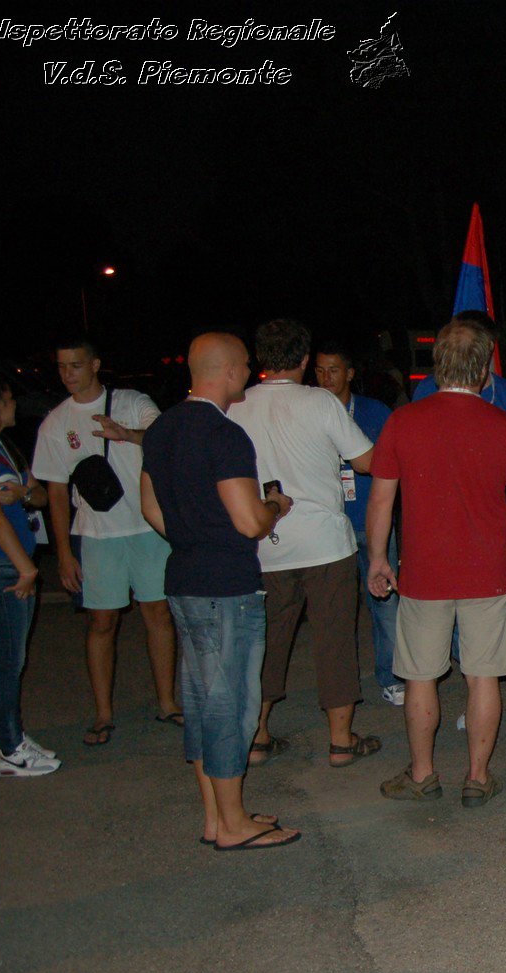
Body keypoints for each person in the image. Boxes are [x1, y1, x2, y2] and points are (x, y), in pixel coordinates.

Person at [367, 319, 506, 808]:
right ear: (485, 370)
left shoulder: (403, 421)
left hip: (423, 574)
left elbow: (381, 502)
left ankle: (422, 774)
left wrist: (379, 558)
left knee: (420, 676)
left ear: (436, 366)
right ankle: (478, 777)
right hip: (489, 572)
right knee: (483, 676)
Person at [139, 334, 298, 849]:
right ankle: (233, 826)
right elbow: (250, 520)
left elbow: (152, 509)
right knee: (232, 705)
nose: (249, 372)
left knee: (204, 702)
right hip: (225, 586)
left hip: (183, 578)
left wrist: (192, 535)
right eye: (246, 365)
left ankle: (218, 817)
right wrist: (277, 506)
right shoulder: (224, 434)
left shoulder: (160, 429)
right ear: (227, 371)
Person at [228, 319, 381, 769]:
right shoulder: (321, 402)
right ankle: (340, 741)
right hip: (325, 544)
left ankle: (256, 735)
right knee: (334, 639)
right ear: (302, 360)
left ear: (260, 359)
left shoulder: (236, 406)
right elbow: (367, 460)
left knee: (267, 640)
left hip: (263, 542)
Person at [32, 339, 182, 747]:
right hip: (97, 535)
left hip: (146, 527)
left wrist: (127, 434)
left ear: (95, 364)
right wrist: (63, 552)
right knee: (102, 622)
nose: (68, 374)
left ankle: (168, 702)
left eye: (76, 365)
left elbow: (165, 435)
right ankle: (103, 713)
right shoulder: (56, 422)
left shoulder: (131, 401)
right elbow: (57, 492)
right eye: (62, 367)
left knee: (158, 614)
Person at [416, 311, 506, 730]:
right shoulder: (425, 396)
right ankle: (479, 697)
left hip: (499, 519)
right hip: (446, 524)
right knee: (458, 617)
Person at [313, 343, 403, 707]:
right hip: (329, 525)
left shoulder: (374, 411)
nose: (325, 378)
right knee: (337, 608)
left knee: (386, 602)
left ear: (349, 373)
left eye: (333, 369)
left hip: (371, 521)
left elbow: (394, 464)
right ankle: (341, 687)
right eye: (319, 370)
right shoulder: (309, 410)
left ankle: (393, 674)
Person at [0, 368, 57, 777]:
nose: (15, 405)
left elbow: (41, 494)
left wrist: (25, 492)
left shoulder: (4, 447)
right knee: (7, 661)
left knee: (14, 658)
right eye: (9, 398)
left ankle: (12, 737)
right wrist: (26, 567)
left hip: (8, 561)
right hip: (1, 565)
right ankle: (10, 750)